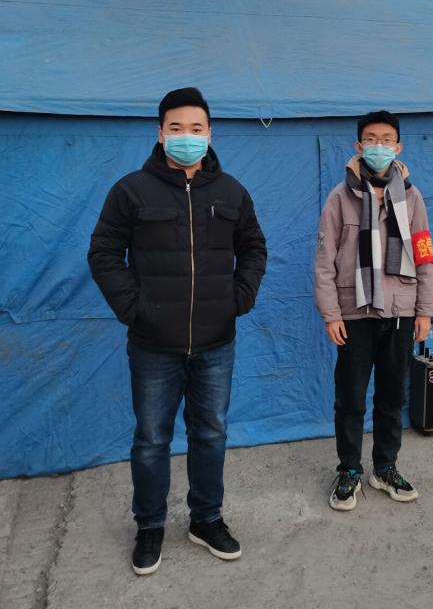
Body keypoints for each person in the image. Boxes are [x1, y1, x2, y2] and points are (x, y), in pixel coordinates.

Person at [88, 87, 267, 575]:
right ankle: (149, 525)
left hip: (216, 343)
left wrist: (238, 298)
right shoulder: (130, 191)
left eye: (196, 128)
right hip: (153, 345)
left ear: (210, 134)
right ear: (160, 133)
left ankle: (206, 519)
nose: (187, 137)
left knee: (210, 433)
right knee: (151, 440)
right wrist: (135, 308)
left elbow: (254, 248)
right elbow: (103, 253)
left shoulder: (231, 192)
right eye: (176, 128)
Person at [314, 110, 433, 512]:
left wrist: (424, 310)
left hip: (401, 312)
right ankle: (349, 469)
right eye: (371, 139)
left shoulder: (412, 198)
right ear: (359, 146)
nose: (379, 146)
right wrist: (331, 314)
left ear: (398, 147)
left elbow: (424, 255)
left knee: (391, 396)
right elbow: (324, 261)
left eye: (386, 140)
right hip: (355, 313)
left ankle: (384, 468)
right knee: (350, 398)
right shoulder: (340, 197)